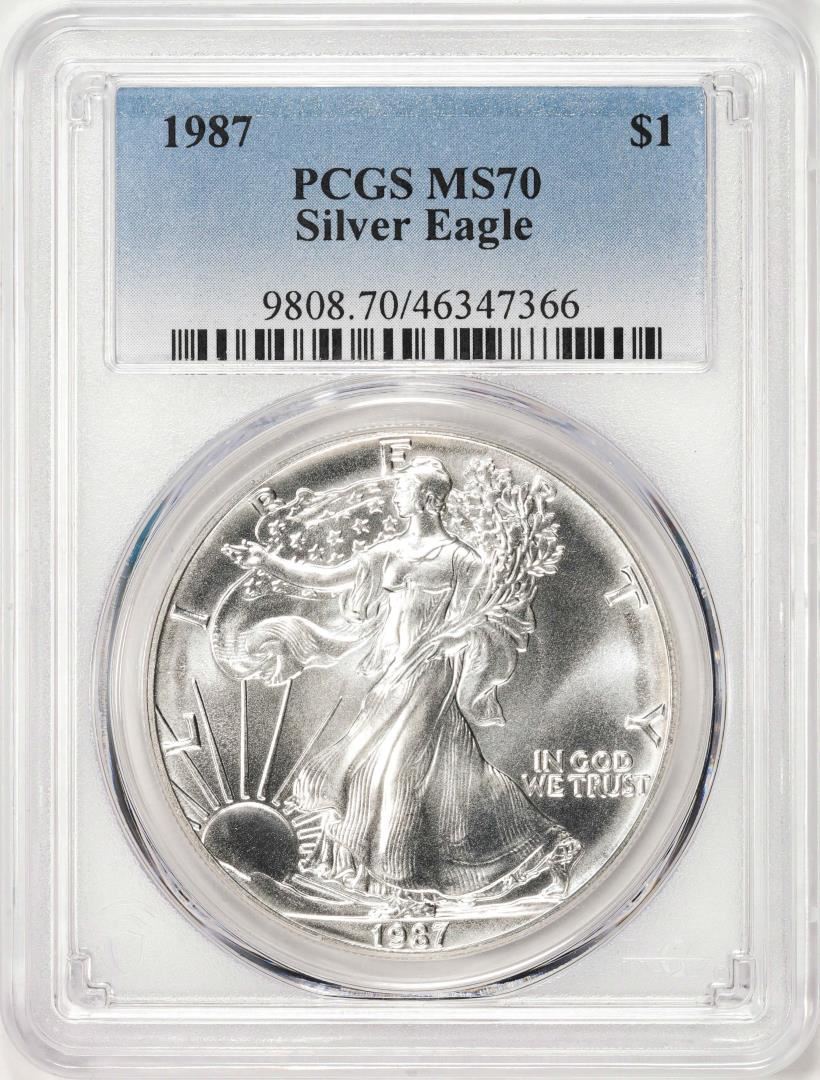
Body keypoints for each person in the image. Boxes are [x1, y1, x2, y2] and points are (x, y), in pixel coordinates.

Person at [217, 457, 580, 907]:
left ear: (427, 498)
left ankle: (398, 876)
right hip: (395, 670)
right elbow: (328, 579)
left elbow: (484, 619)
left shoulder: (462, 559)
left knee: (398, 768)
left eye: (405, 490)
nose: (398, 496)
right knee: (387, 764)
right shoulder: (388, 552)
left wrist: (450, 638)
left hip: (431, 671)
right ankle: (533, 851)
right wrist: (268, 562)